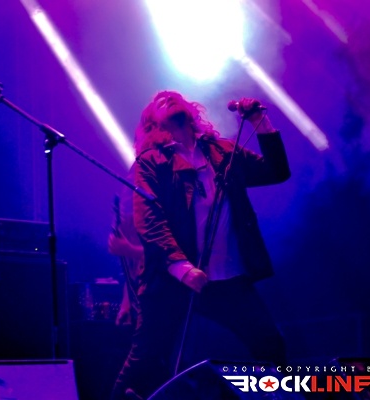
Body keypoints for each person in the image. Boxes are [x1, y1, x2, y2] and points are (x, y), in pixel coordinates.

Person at [110, 91, 291, 400]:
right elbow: (149, 220)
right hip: (173, 282)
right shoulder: (151, 162)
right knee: (143, 363)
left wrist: (260, 122)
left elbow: (277, 171)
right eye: (160, 101)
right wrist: (181, 267)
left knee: (271, 346)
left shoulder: (221, 151)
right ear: (152, 122)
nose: (167, 97)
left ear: (190, 110)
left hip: (228, 280)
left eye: (173, 96)